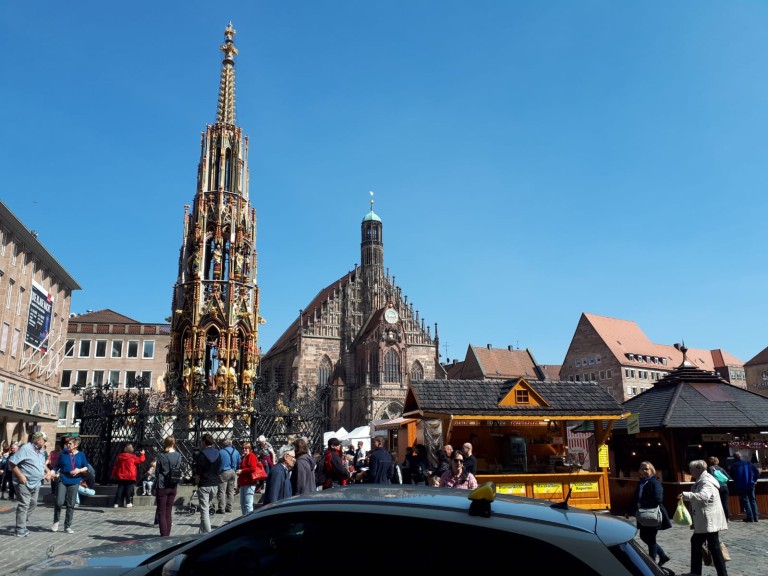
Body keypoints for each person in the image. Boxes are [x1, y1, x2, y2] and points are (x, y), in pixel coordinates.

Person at [678, 459, 729, 576]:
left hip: (708, 520)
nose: (690, 471)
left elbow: (704, 496)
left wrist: (686, 495)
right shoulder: (701, 480)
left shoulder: (706, 481)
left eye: (691, 469)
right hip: (705, 520)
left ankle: (718, 573)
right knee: (703, 543)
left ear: (699, 469)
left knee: (713, 547)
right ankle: (697, 572)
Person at [8, 431, 51, 537]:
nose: (45, 442)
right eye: (44, 440)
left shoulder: (41, 450)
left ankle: (22, 520)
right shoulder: (26, 449)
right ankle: (20, 529)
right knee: (24, 505)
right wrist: (21, 476)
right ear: (37, 440)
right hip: (23, 482)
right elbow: (11, 462)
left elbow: (41, 463)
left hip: (36, 482)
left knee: (33, 503)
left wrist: (47, 471)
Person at [632, 461, 671, 566]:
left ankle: (652, 563)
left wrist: (643, 504)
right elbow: (636, 498)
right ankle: (663, 556)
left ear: (652, 470)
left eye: (647, 469)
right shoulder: (641, 482)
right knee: (644, 536)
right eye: (642, 468)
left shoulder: (655, 482)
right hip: (643, 514)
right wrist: (629, 509)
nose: (644, 471)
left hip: (652, 514)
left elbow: (658, 499)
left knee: (650, 538)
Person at [51, 436, 90, 534]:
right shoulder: (63, 454)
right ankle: (56, 521)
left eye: (70, 444)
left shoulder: (81, 455)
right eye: (67, 443)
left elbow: (86, 467)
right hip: (63, 479)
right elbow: (57, 466)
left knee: (70, 504)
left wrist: (79, 470)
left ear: (76, 445)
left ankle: (67, 526)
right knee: (59, 502)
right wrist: (52, 472)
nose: (67, 445)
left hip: (75, 481)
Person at [154, 435, 183, 537]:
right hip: (173, 485)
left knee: (161, 511)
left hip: (162, 485)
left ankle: (164, 535)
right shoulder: (178, 455)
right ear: (174, 443)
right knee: (168, 511)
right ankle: (168, 534)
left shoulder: (161, 455)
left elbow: (157, 472)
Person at [194, 433, 221, 534]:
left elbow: (198, 471)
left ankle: (208, 533)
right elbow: (219, 468)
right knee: (206, 507)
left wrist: (197, 480)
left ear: (204, 442)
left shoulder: (201, 455)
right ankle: (202, 532)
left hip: (204, 484)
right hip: (215, 484)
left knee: (204, 510)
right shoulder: (218, 453)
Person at [111, 443, 146, 508]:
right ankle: (128, 502)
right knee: (128, 490)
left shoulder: (120, 457)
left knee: (120, 489)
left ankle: (116, 503)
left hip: (121, 475)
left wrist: (113, 474)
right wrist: (142, 454)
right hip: (130, 476)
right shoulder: (133, 457)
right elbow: (141, 460)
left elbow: (116, 466)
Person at [729, 450, 759, 522]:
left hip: (741, 485)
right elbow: (756, 472)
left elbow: (732, 476)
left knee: (746, 501)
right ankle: (756, 517)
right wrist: (754, 480)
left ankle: (750, 517)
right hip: (751, 484)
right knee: (753, 500)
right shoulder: (748, 462)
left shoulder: (734, 466)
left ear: (734, 458)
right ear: (741, 456)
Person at [235, 441, 261, 515]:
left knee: (248, 504)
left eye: (246, 448)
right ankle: (244, 519)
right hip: (244, 483)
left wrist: (242, 471)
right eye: (243, 448)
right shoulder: (244, 457)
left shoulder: (251, 456)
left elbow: (253, 468)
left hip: (249, 483)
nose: (244, 450)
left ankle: (249, 521)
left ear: (250, 449)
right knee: (243, 504)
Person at [217, 438, 241, 514]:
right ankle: (229, 507)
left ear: (224, 444)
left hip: (224, 472)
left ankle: (221, 508)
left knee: (222, 491)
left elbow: (217, 463)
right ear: (231, 443)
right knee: (231, 491)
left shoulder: (221, 452)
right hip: (233, 472)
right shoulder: (236, 452)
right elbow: (239, 462)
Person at [708, 456, 732, 522]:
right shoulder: (721, 469)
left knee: (717, 503)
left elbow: (710, 478)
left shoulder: (710, 468)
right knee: (725, 503)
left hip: (717, 488)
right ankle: (727, 518)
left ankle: (719, 518)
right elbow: (728, 477)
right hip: (725, 487)